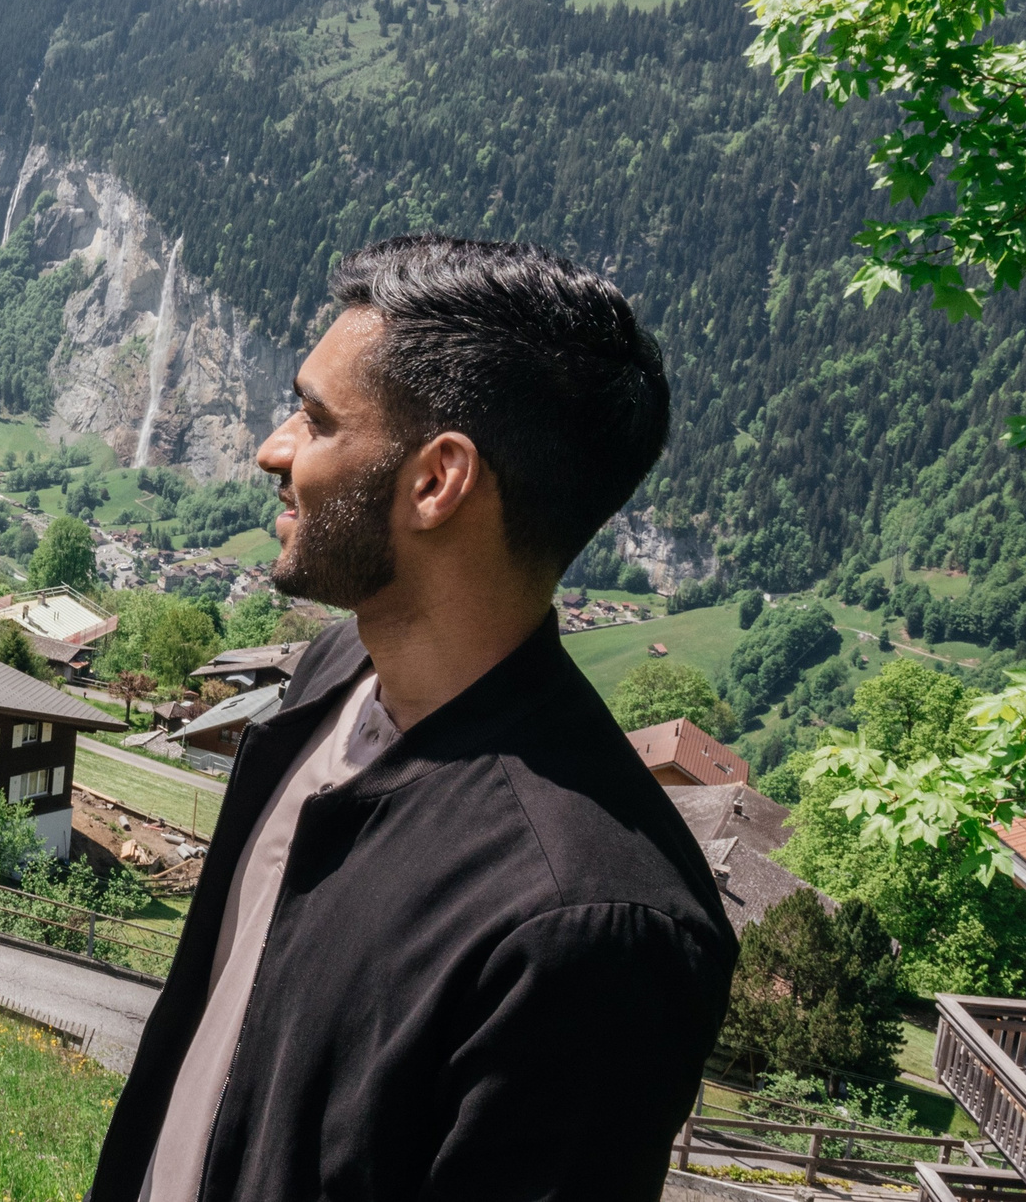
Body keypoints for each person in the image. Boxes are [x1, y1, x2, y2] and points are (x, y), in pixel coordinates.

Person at [91, 235, 737, 1202]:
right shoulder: (338, 672)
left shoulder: (592, 931)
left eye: (314, 419)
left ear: (437, 481)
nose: (273, 449)